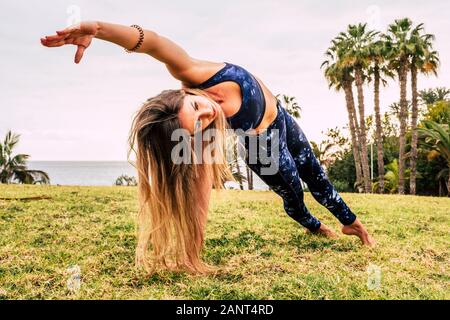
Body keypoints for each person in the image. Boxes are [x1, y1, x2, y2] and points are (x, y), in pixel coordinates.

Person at [41, 21, 375, 274]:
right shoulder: (203, 140)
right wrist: (192, 252)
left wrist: (97, 30)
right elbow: (200, 194)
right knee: (294, 195)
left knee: (317, 175)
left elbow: (151, 43)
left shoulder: (193, 73)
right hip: (262, 149)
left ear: (183, 94)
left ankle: (351, 223)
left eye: (196, 109)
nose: (208, 115)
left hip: (282, 118)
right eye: (197, 126)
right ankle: (314, 226)